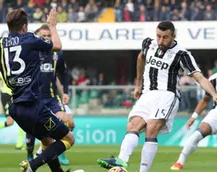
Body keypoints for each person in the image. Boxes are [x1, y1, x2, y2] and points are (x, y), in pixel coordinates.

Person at [97, 21, 217, 172]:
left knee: (151, 129)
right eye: (158, 36)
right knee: (133, 125)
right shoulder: (148, 44)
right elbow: (140, 58)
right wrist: (138, 84)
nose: (161, 41)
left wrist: (214, 94)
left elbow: (199, 77)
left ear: (173, 35)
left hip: (167, 96)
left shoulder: (182, 55)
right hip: (147, 94)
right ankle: (121, 161)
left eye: (165, 37)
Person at [0, 8, 74, 172]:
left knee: (47, 140)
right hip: (34, 106)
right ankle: (32, 166)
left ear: (8, 25)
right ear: (25, 27)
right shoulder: (29, 39)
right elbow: (57, 45)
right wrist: (52, 26)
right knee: (69, 138)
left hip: (16, 109)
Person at [26, 24, 75, 165]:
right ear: (37, 38)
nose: (47, 38)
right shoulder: (31, 53)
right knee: (34, 129)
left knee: (68, 122)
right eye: (44, 36)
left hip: (52, 98)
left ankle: (54, 152)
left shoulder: (57, 54)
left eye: (49, 36)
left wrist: (65, 92)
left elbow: (63, 74)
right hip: (34, 99)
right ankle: (31, 154)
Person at [171, 73, 217, 170]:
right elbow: (205, 100)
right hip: (215, 114)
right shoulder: (214, 79)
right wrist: (193, 117)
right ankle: (180, 161)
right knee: (197, 134)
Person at [0, 72, 25, 149]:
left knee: (23, 118)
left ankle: (19, 144)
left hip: (17, 96)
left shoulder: (19, 69)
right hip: (7, 97)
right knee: (10, 122)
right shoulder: (6, 69)